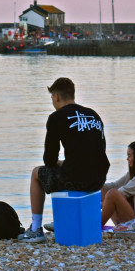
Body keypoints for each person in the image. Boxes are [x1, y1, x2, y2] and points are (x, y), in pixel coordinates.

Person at [21, 77, 110, 243]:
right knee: (70, 169)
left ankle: (35, 228)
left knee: (36, 173)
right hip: (98, 179)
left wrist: (60, 163)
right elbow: (93, 152)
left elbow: (49, 159)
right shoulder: (94, 115)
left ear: (56, 97)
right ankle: (67, 218)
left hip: (75, 179)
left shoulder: (56, 117)